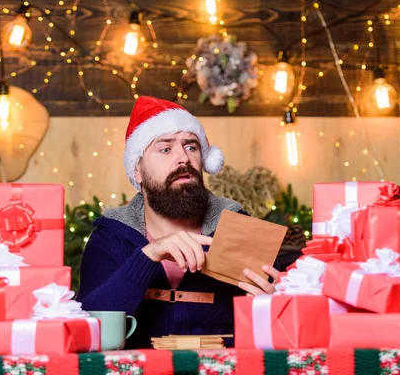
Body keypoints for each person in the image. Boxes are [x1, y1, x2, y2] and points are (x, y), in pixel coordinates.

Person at [77, 96, 279, 348]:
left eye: (191, 147)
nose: (183, 158)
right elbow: (85, 328)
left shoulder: (238, 226)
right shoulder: (111, 236)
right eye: (165, 148)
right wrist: (148, 256)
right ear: (137, 171)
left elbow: (270, 332)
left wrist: (272, 305)